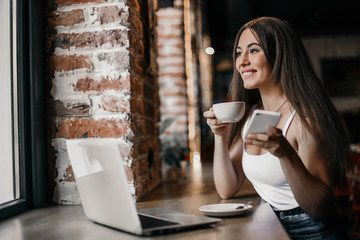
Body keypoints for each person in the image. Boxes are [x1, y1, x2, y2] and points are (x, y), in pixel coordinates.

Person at [203, 17, 350, 239]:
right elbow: (227, 188)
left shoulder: (304, 119)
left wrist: (285, 153)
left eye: (253, 51)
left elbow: (319, 208)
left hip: (312, 231)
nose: (241, 61)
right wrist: (219, 135)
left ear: (279, 55)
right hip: (269, 225)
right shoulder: (253, 114)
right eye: (238, 52)